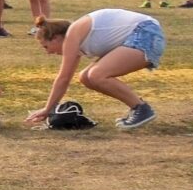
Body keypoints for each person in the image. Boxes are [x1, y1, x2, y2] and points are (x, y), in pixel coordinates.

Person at [28, 10, 162, 130]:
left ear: (56, 38)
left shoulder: (72, 36)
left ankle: (141, 108)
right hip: (146, 33)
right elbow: (66, 78)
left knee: (96, 75)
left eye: (46, 47)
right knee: (85, 77)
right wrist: (50, 108)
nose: (48, 52)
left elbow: (63, 78)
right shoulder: (76, 37)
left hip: (146, 33)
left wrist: (47, 109)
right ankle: (139, 108)